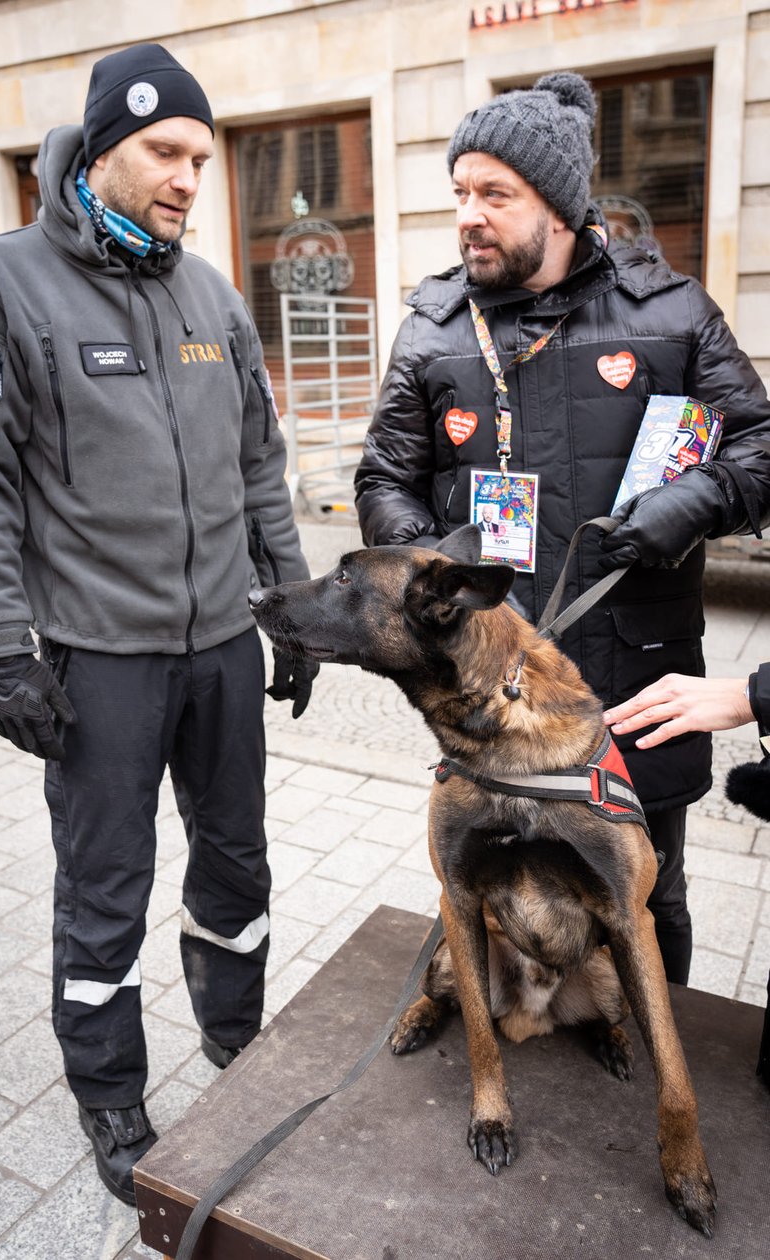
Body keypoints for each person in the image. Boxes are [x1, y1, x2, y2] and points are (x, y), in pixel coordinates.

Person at [0, 43, 317, 1205]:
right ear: (101, 151)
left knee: (237, 861)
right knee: (106, 885)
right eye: (166, 152)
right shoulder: (0, 280)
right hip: (98, 659)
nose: (190, 177)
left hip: (220, 648)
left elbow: (259, 465)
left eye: (201, 156)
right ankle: (108, 1091)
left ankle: (235, 1037)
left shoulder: (211, 296)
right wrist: (4, 653)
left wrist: (293, 609)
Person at [354, 72, 770, 989]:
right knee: (492, 893)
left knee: (646, 902)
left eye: (495, 195)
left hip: (633, 683)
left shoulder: (673, 314)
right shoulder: (433, 329)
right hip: (489, 695)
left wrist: (689, 505)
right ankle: (513, 1024)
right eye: (460, 192)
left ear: (561, 206)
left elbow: (760, 444)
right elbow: (384, 477)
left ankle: (654, 1054)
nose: (469, 216)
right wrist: (435, 575)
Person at [604, 670, 770, 1089]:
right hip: (559, 724)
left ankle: (667, 1022)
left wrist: (755, 693)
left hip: (646, 723)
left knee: (661, 895)